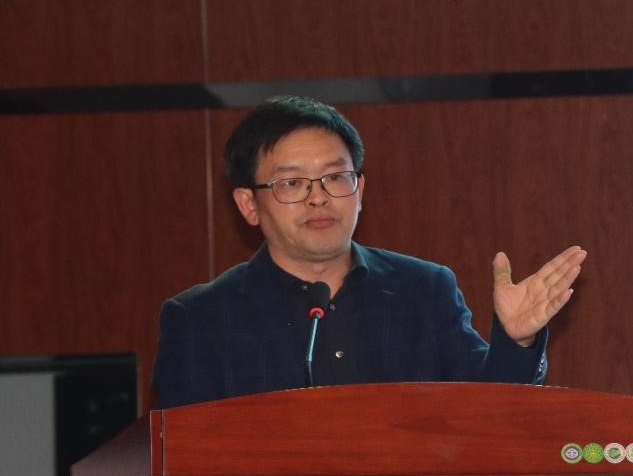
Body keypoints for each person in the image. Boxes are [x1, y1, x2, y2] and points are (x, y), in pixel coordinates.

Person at [152, 96, 586, 408]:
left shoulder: (422, 290)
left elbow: (489, 411)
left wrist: (517, 340)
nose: (318, 198)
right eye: (292, 183)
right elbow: (176, 460)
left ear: (359, 190)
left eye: (335, 177)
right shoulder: (201, 318)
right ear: (249, 204)